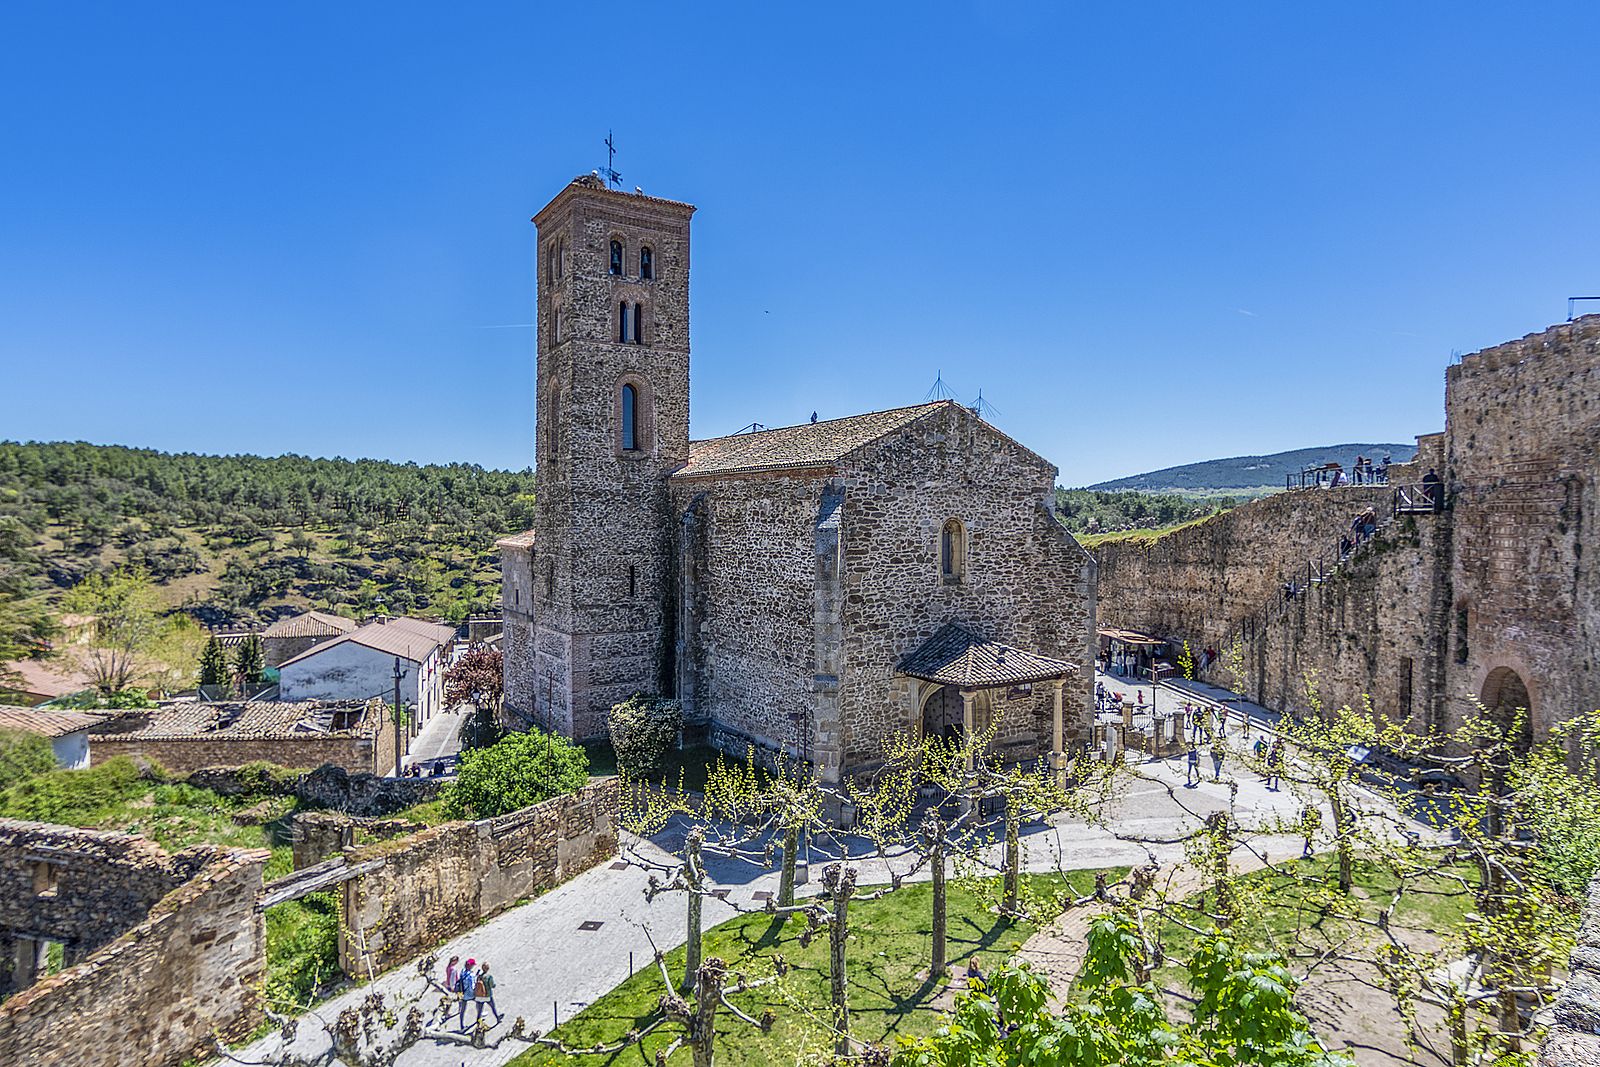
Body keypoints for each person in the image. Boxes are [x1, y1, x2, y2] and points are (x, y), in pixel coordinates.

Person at [473, 961, 503, 1026]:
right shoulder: (489, 977)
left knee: (480, 1010)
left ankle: (478, 1022)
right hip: (487, 995)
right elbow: (492, 985)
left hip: (479, 996)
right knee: (493, 1007)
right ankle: (497, 1018)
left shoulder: (479, 976)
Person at [457, 959, 478, 1030]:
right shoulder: (471, 975)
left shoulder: (462, 972)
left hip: (462, 993)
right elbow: (472, 986)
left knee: (463, 1010)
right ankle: (479, 1018)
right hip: (470, 994)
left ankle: (461, 1025)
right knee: (479, 1003)